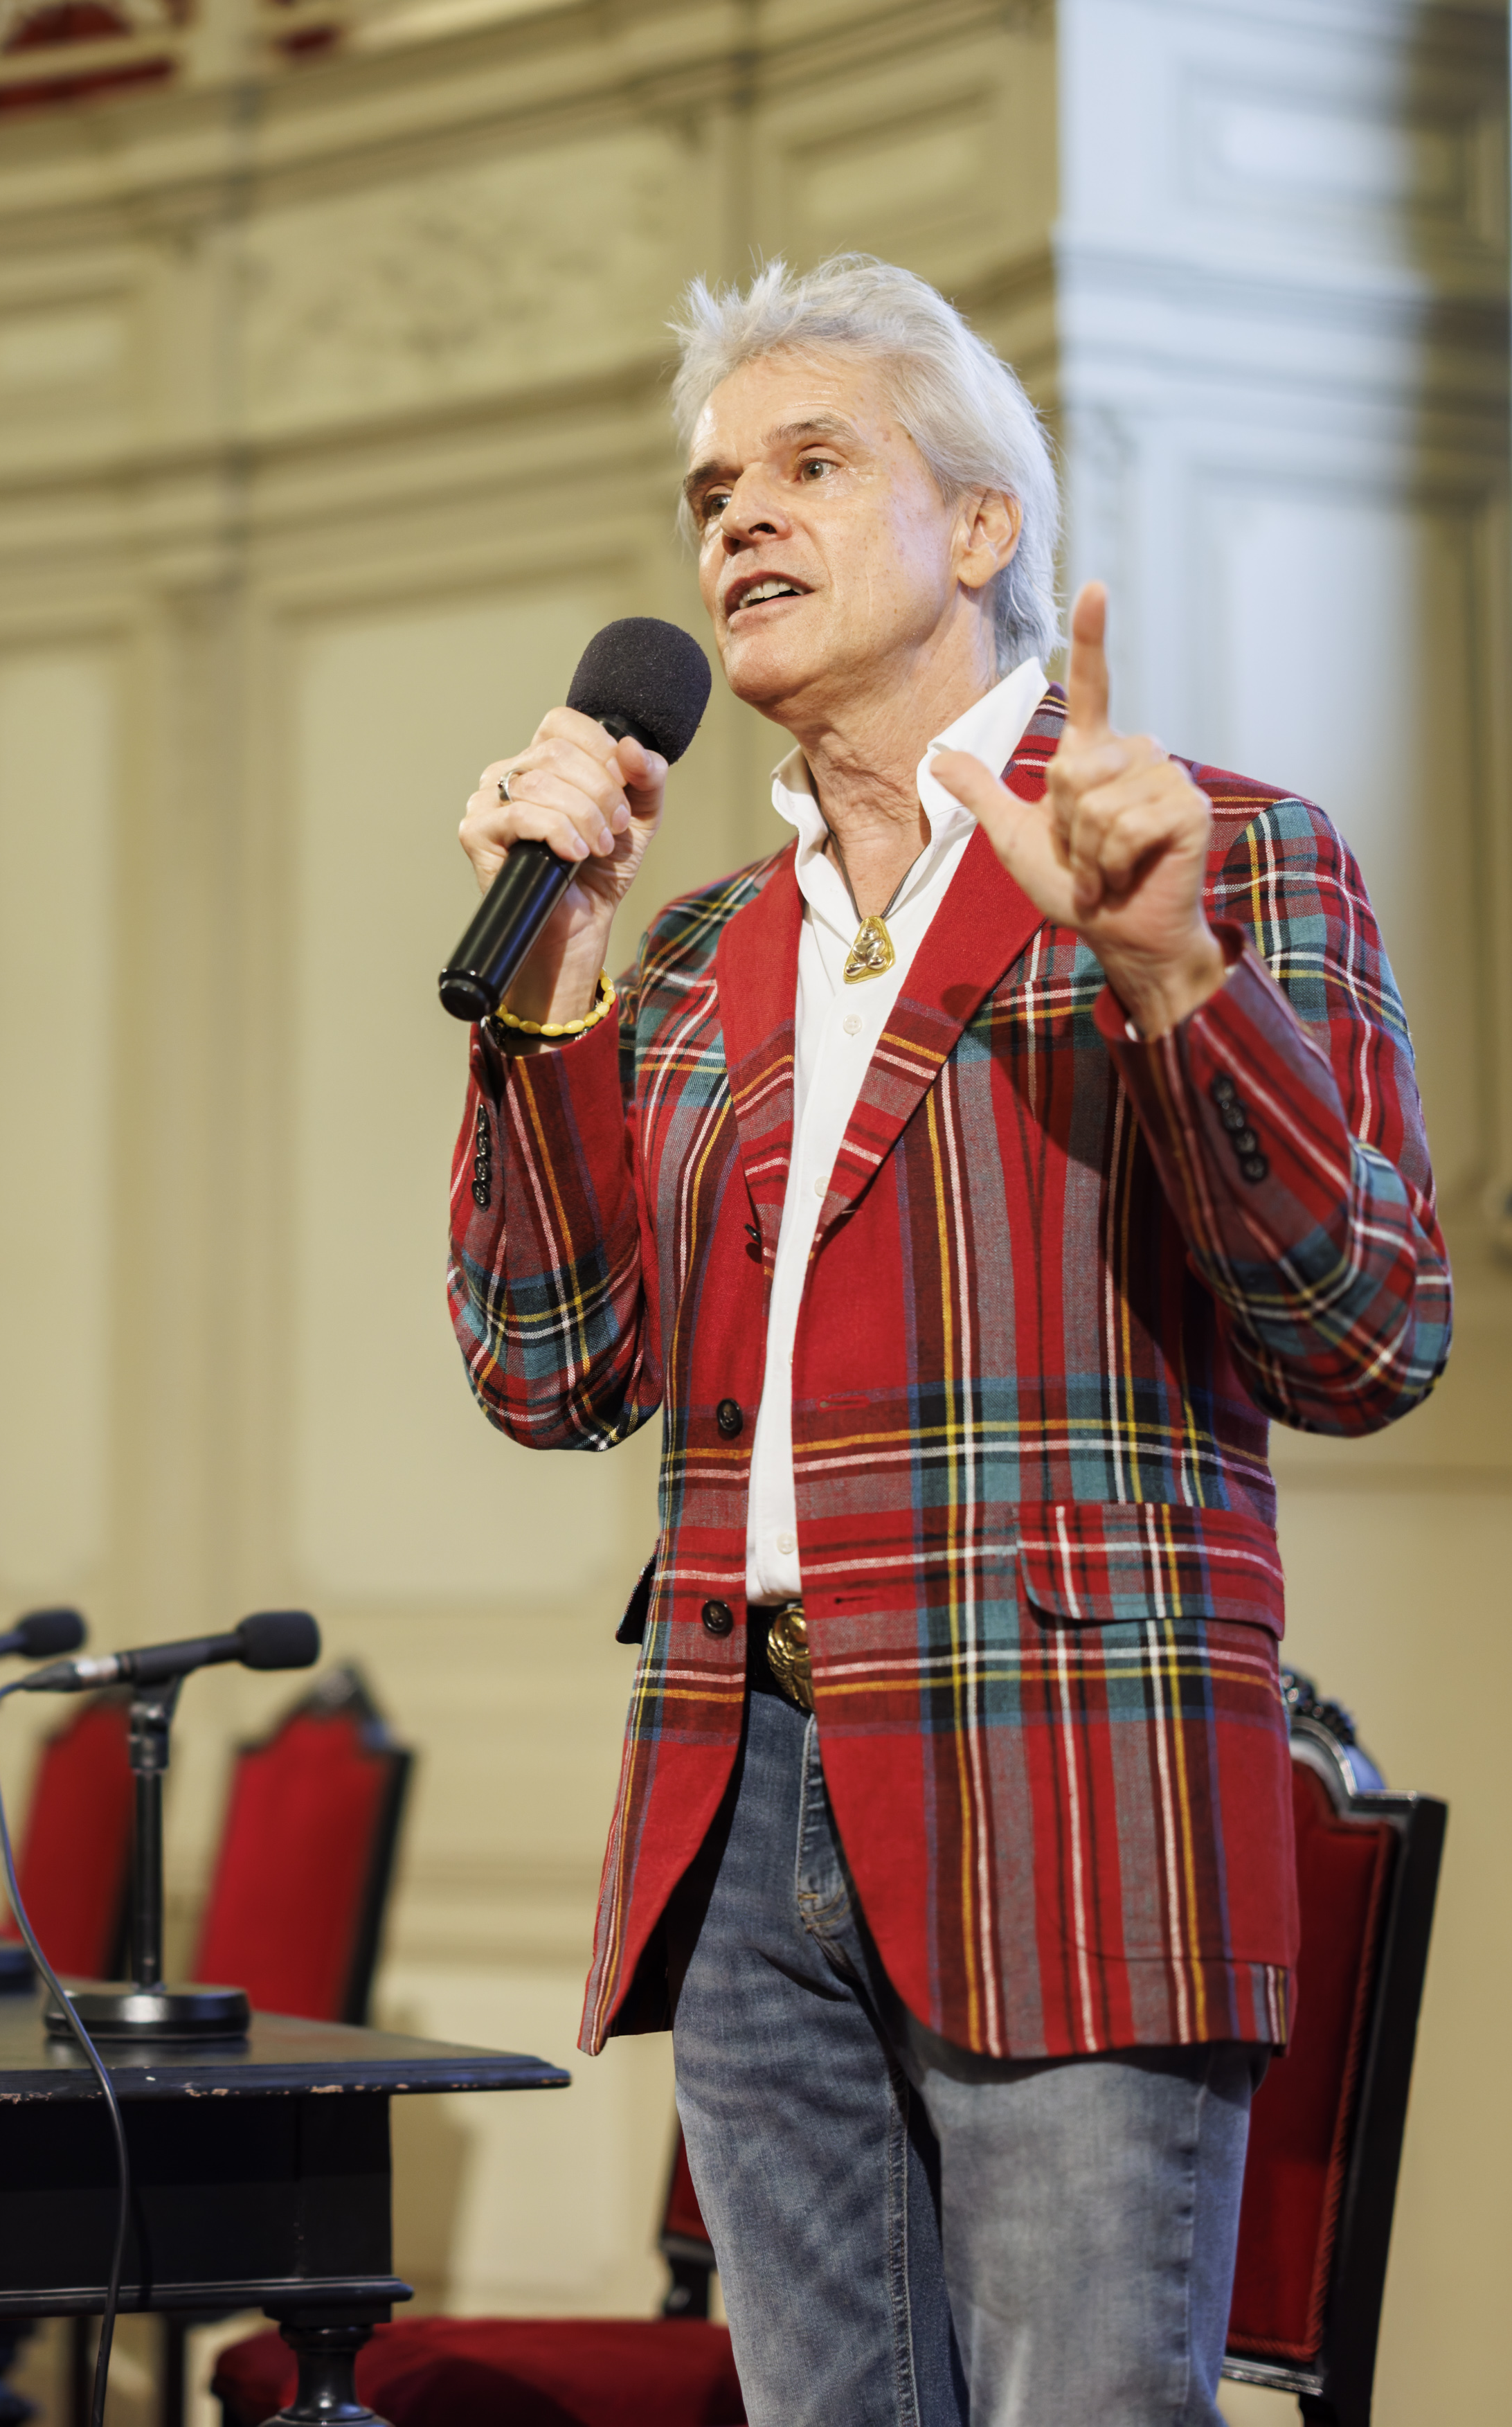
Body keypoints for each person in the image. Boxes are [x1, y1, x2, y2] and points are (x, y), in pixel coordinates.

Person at [445, 253, 1451, 2426]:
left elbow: (1367, 1329)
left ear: (983, 526)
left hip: (1065, 1766)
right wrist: (556, 979)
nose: (739, 516)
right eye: (713, 489)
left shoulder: (1224, 854)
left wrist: (1170, 972)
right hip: (743, 1785)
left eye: (813, 463)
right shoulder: (695, 954)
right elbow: (550, 1371)